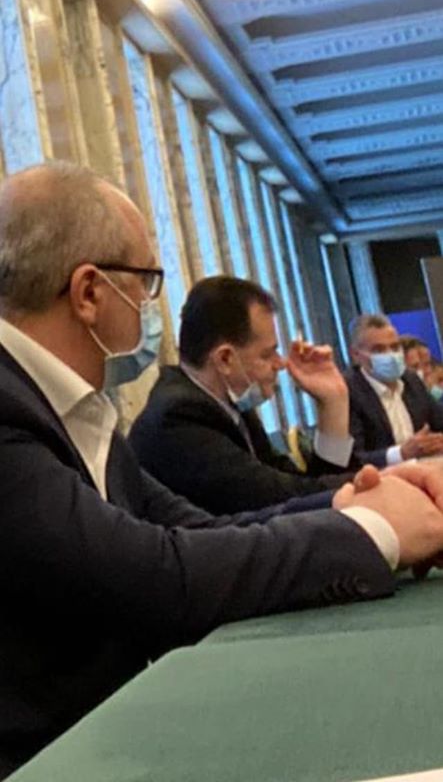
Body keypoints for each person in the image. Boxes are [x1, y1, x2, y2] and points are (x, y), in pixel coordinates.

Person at [1, 162, 443, 778]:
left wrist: (354, 503)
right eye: (147, 282)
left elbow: (197, 528)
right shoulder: (34, 409)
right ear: (90, 293)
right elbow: (153, 575)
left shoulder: (79, 410)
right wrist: (377, 530)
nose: (152, 307)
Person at [130, 275, 357, 514]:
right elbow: (279, 500)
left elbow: (299, 486)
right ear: (225, 359)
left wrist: (333, 402)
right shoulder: (178, 419)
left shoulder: (231, 408)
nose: (281, 363)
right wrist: (366, 486)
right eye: (267, 354)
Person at [346, 314, 443, 468]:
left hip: (426, 470)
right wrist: (400, 453)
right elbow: (350, 461)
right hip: (384, 477)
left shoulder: (410, 380)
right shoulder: (348, 392)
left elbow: (438, 421)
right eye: (378, 350)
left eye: (395, 347)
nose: (390, 355)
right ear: (356, 355)